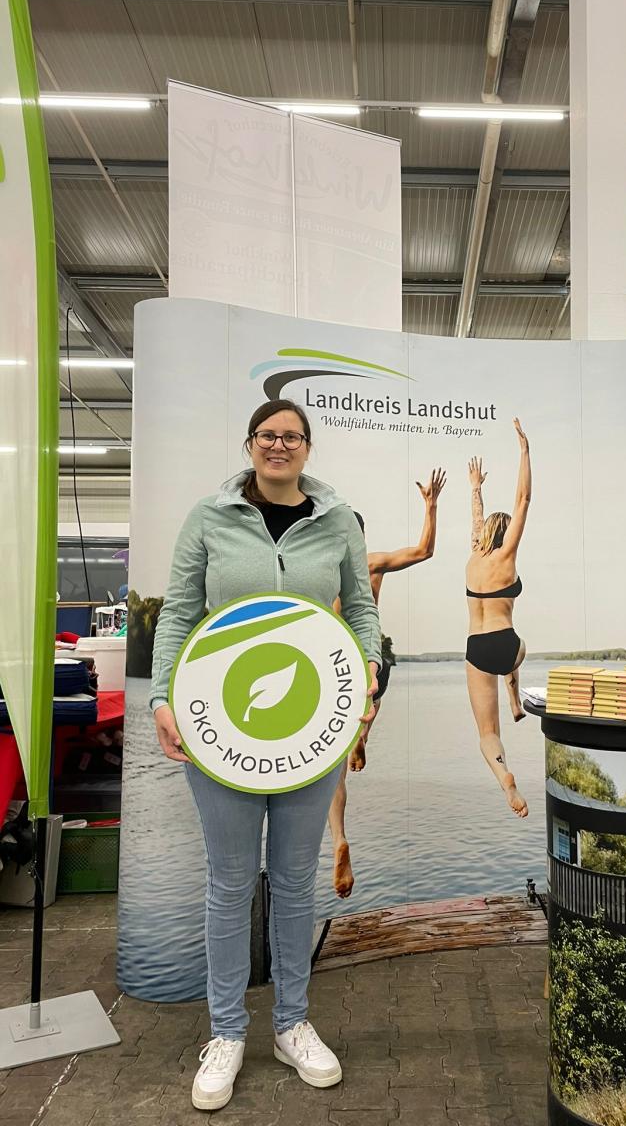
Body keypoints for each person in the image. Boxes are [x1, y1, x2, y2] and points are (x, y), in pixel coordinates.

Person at [150, 398, 381, 1112]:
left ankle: (290, 1023)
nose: (279, 446)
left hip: (313, 732)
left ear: (308, 449)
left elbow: (362, 607)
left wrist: (368, 669)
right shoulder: (208, 518)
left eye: (292, 437)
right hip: (222, 729)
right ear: (251, 444)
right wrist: (162, 697)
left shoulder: (337, 519)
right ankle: (225, 1032)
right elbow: (179, 611)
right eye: (267, 435)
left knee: (292, 878)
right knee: (227, 882)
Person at [329, 469, 447, 899]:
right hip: (372, 661)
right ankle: (364, 733)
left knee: (334, 772)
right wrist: (430, 505)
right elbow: (423, 551)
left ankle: (339, 837)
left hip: (334, 667)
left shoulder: (320, 575)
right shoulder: (372, 564)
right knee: (372, 697)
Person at [465, 419, 531, 819]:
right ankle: (514, 696)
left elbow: (478, 519)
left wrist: (475, 487)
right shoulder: (507, 558)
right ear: (506, 536)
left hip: (476, 649)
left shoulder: (474, 556)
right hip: (509, 646)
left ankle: (505, 776)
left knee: (487, 734)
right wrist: (524, 451)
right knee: (520, 649)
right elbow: (522, 500)